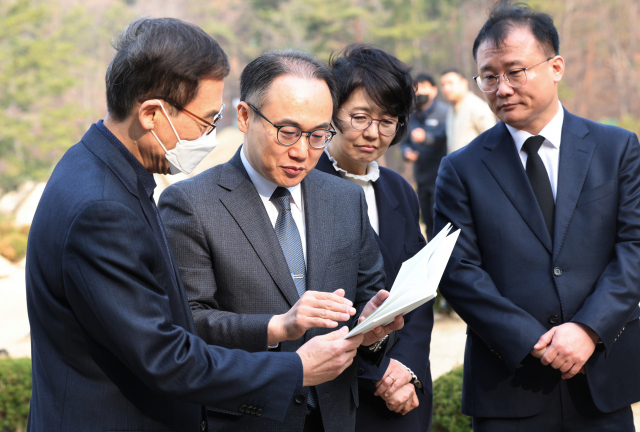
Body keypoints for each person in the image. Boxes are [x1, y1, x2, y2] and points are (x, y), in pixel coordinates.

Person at [25, 18, 371, 432]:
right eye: (206, 121)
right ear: (152, 113)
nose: (209, 134)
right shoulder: (103, 208)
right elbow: (166, 356)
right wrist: (294, 369)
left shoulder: (94, 166)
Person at [158, 49, 404, 432]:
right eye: (287, 131)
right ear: (243, 116)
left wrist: (371, 331)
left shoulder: (344, 198)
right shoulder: (191, 204)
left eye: (319, 134)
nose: (302, 151)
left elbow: (365, 298)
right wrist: (277, 326)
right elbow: (188, 322)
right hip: (248, 417)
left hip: (335, 416)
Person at [433, 1, 640, 430]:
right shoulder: (460, 168)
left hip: (600, 380)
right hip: (509, 384)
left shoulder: (616, 149)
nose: (501, 88)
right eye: (488, 76)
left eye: (515, 71)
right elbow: (458, 272)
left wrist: (588, 329)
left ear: (556, 67)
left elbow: (634, 248)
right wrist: (535, 342)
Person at [315, 44, 434, 432]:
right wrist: (378, 373)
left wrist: (407, 364)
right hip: (337, 392)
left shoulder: (399, 190)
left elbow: (418, 290)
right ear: (332, 113)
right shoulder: (302, 185)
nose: (373, 133)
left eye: (388, 120)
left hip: (404, 388)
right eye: (360, 116)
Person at [401, 73, 448, 241]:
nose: (420, 92)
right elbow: (404, 141)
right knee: (427, 222)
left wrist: (426, 138)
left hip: (441, 177)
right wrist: (406, 153)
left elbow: (445, 136)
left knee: (441, 222)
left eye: (424, 87)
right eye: (417, 88)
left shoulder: (445, 112)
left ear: (434, 90)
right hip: (421, 178)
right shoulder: (411, 115)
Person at [440, 68, 496, 153]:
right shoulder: (452, 109)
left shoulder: (477, 106)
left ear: (464, 83)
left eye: (450, 83)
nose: (446, 88)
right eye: (443, 85)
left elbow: (492, 142)